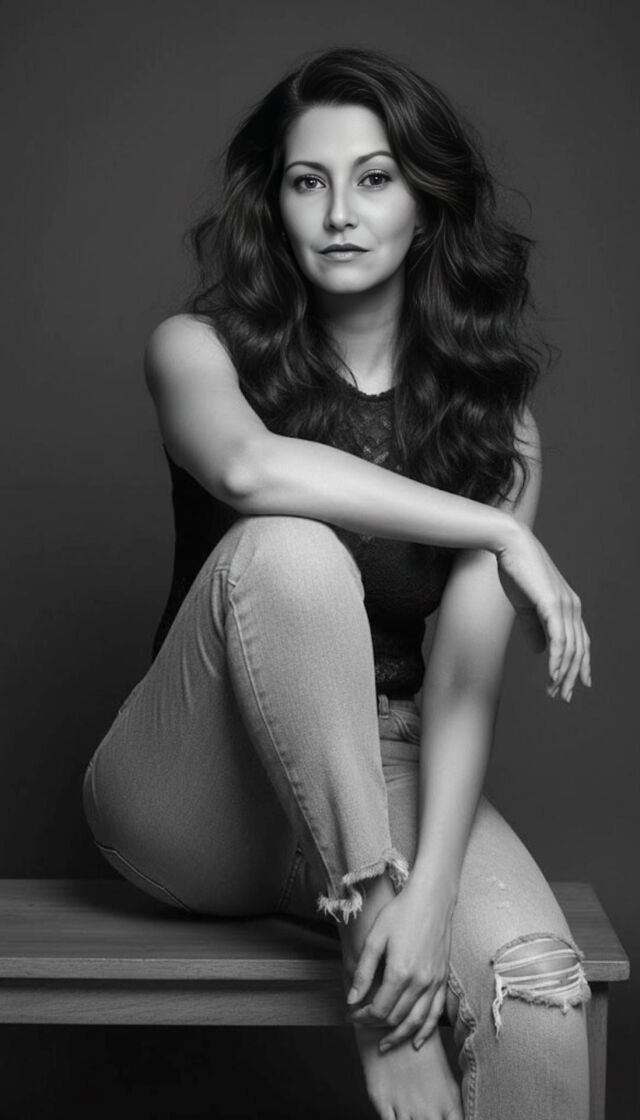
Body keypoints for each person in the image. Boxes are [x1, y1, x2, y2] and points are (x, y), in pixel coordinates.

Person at [82, 46, 593, 1120]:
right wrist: (497, 532)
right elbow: (246, 469)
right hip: (198, 789)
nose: (340, 214)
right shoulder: (197, 348)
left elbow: (460, 687)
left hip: (385, 765)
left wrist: (434, 896)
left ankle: (392, 917)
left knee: (541, 997)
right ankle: (371, 966)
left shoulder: (495, 427)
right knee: (290, 545)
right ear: (274, 204)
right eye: (308, 182)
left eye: (375, 179)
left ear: (426, 203)